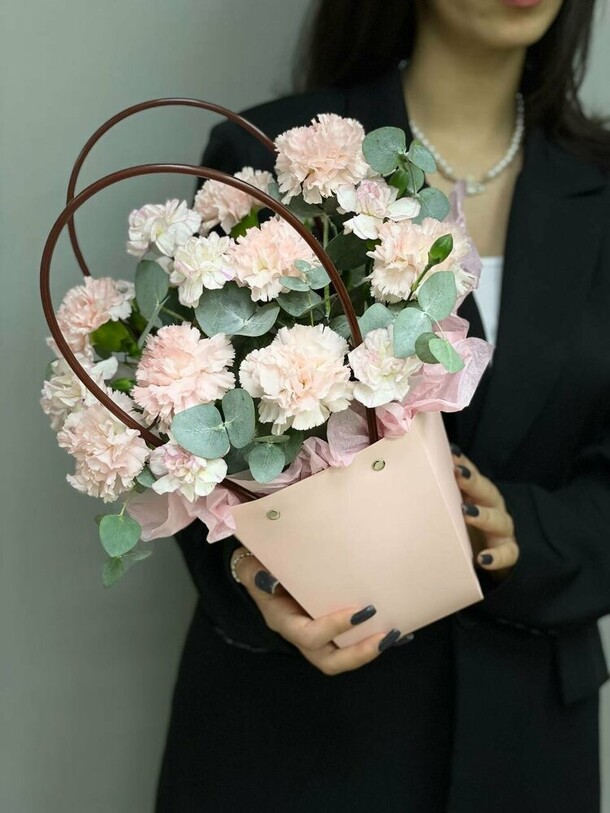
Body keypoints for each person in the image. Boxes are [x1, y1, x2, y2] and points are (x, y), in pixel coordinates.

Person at [154, 2, 610, 810]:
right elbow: (185, 440)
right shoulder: (275, 152)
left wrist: (523, 534)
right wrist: (254, 578)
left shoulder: (600, 185)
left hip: (522, 743)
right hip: (297, 735)